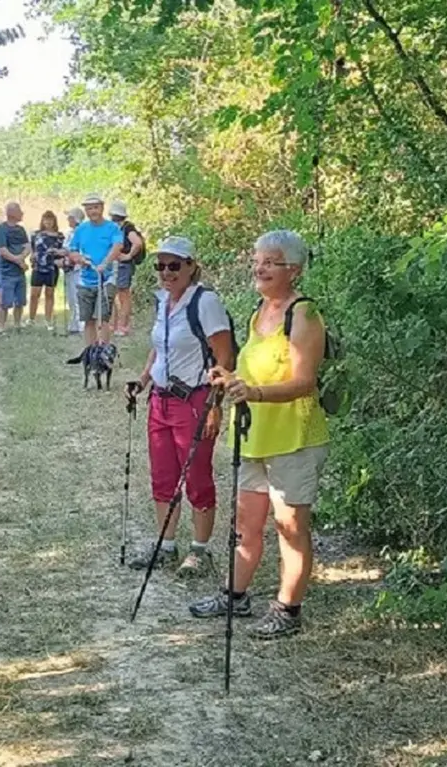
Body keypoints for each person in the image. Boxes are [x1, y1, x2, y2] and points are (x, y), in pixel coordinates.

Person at [189, 229, 330, 639]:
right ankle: (235, 595)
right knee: (246, 524)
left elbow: (304, 381)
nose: (259, 268)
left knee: (290, 528)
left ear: (294, 269)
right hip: (253, 437)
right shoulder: (260, 310)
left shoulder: (304, 314)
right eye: (256, 260)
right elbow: (253, 368)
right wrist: (229, 377)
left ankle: (288, 610)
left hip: (294, 438)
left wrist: (254, 393)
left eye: (270, 262)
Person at [123, 236, 235, 575]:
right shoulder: (163, 301)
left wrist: (215, 405)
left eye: (174, 265)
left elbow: (225, 355)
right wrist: (143, 380)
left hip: (194, 400)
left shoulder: (205, 302)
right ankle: (166, 546)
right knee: (163, 475)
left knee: (197, 475)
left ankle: (200, 550)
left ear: (190, 266)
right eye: (160, 265)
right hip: (161, 400)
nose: (166, 272)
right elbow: (159, 348)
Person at [68, 194, 122, 346]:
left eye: (96, 207)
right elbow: (72, 250)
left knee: (103, 318)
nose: (93, 211)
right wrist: (80, 259)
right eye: (89, 208)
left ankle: (103, 350)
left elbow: (117, 246)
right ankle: (90, 350)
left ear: (102, 208)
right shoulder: (81, 229)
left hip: (106, 278)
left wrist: (105, 263)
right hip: (86, 279)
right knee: (88, 319)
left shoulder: (112, 228)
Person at [108, 201, 145, 336]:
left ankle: (122, 325)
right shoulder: (119, 227)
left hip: (124, 265)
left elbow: (137, 243)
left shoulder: (128, 228)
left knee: (123, 295)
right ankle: (115, 324)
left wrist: (128, 255)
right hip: (118, 264)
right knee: (116, 294)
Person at [0, 201, 30, 332]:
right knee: (4, 302)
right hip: (6, 272)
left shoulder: (21, 230)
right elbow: (2, 251)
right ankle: (1, 327)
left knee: (20, 300)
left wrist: (21, 257)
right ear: (12, 213)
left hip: (20, 271)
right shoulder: (1, 229)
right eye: (19, 211)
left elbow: (28, 247)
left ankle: (17, 324)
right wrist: (19, 261)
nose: (22, 213)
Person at [28, 210, 66, 331]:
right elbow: (32, 248)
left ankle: (48, 319)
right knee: (34, 294)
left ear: (54, 221)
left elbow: (62, 251)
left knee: (49, 294)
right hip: (38, 267)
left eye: (50, 220)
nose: (48, 222)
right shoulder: (36, 234)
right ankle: (31, 318)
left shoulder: (59, 236)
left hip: (52, 268)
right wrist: (32, 256)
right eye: (46, 219)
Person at [62, 207, 85, 335]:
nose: (68, 220)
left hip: (78, 269)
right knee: (71, 297)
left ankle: (81, 325)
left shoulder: (81, 232)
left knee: (77, 297)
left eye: (70, 217)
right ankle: (74, 324)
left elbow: (77, 250)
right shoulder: (70, 233)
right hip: (69, 269)